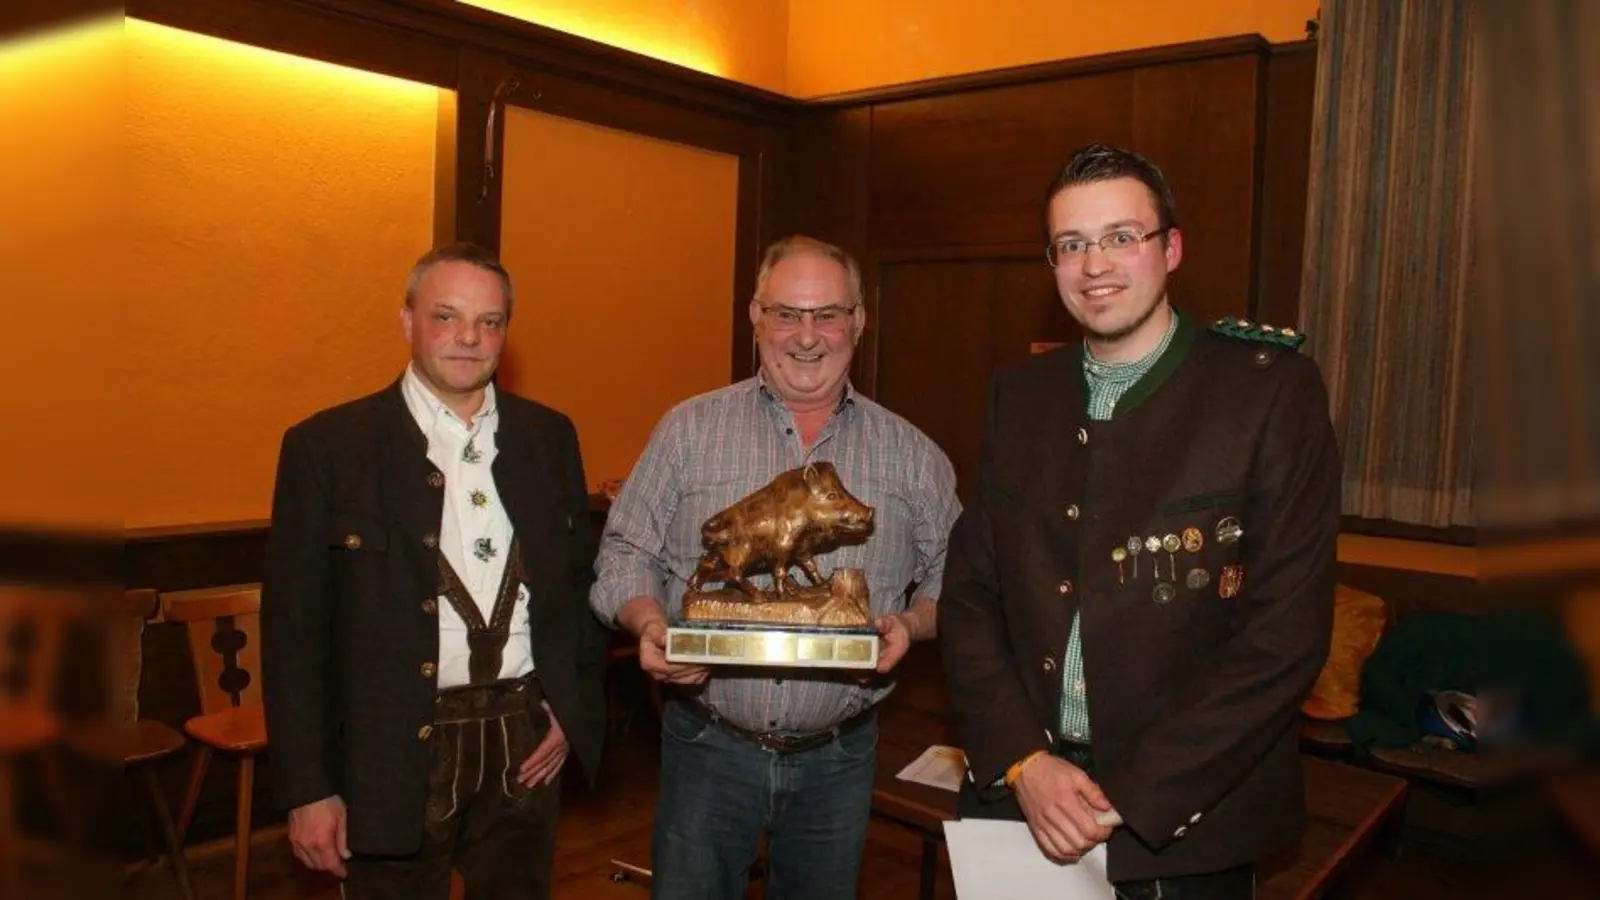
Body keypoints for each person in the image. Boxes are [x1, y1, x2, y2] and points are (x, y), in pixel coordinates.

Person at [938, 144, 1340, 899]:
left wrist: (1136, 793)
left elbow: (1283, 639)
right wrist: (1025, 761)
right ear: (1052, 262)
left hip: (1186, 822)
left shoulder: (1266, 393)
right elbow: (969, 598)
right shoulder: (1018, 396)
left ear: (1171, 248)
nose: (1096, 264)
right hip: (1022, 802)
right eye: (1072, 244)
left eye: (1122, 236)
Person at [590, 235, 961, 900]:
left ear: (859, 321)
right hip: (708, 748)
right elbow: (624, 553)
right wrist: (648, 623)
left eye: (827, 314)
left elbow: (958, 582)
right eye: (787, 314)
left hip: (840, 761)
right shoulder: (689, 431)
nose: (807, 337)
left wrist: (911, 624)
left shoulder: (913, 456)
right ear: (756, 317)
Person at [261, 242, 606, 899]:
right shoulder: (328, 449)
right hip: (389, 750)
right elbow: (294, 637)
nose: (470, 339)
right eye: (447, 317)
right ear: (407, 321)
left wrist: (572, 708)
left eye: (491, 322)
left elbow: (577, 586)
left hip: (525, 743)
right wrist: (309, 789)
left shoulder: (549, 436)